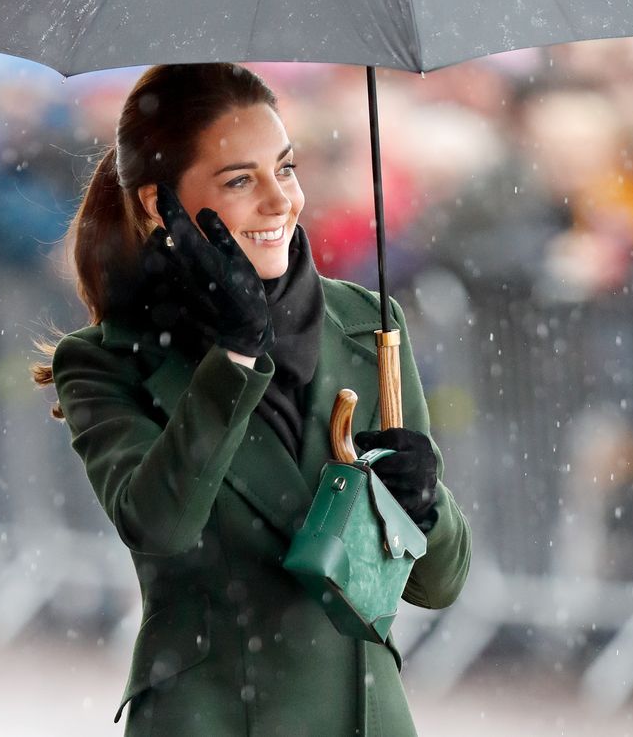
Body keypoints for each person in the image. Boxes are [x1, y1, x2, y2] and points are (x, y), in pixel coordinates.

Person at [32, 62, 471, 736]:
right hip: (213, 719)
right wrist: (236, 354)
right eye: (241, 180)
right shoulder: (105, 361)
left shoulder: (367, 325)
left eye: (285, 169)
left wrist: (422, 504)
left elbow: (436, 583)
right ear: (160, 203)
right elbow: (160, 526)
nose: (280, 200)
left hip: (364, 717)